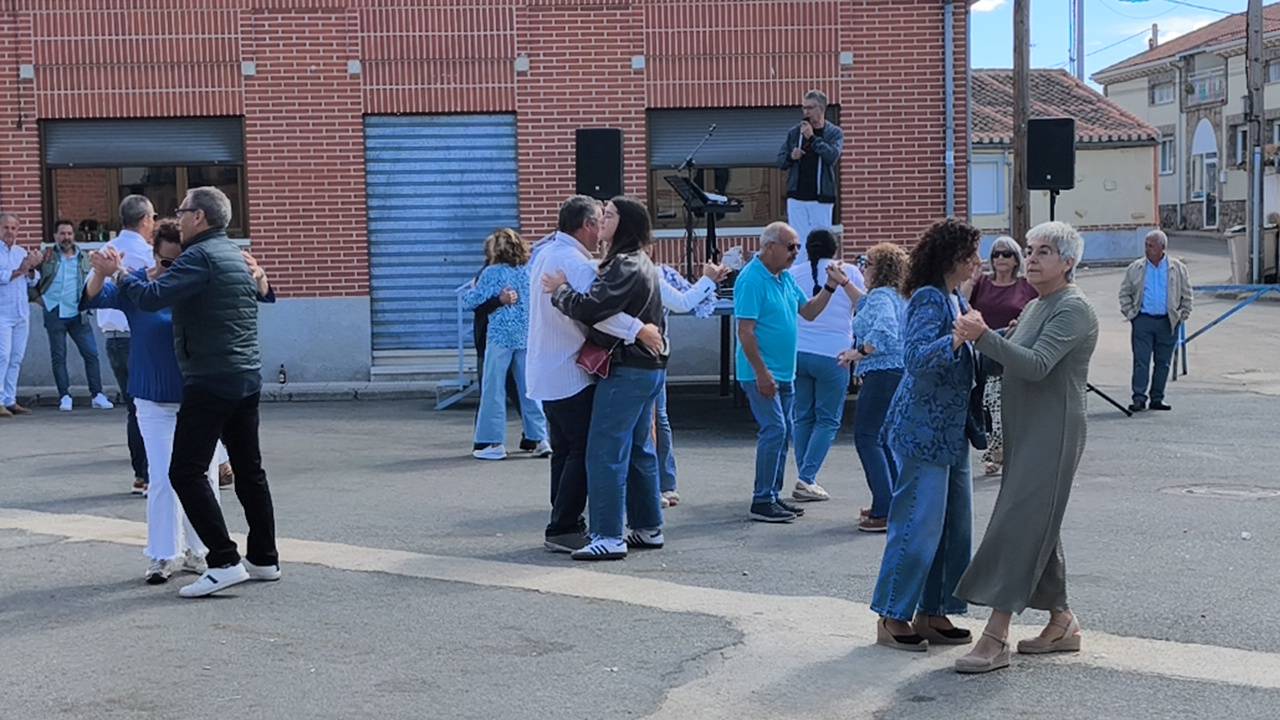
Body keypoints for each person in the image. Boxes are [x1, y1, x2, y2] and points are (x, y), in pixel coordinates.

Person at [114, 186, 280, 599]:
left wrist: (120, 275)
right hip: (246, 375)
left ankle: (223, 561)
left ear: (199, 217)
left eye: (182, 210)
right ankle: (264, 558)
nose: (178, 216)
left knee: (184, 472)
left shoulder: (199, 256)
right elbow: (262, 293)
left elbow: (152, 297)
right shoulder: (235, 253)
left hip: (210, 378)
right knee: (250, 470)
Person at [951, 221, 1099, 674]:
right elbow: (1006, 357)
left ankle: (996, 635)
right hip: (1025, 428)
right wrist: (981, 339)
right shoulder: (1037, 305)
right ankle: (1062, 621)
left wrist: (985, 336)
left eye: (1043, 252)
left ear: (1068, 262)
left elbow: (1035, 365)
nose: (1031, 259)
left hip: (1053, 432)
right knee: (1037, 521)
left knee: (1017, 523)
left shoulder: (1073, 309)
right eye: (1030, 250)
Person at [86, 220, 252, 584]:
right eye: (165, 263)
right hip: (153, 398)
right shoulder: (139, 286)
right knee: (162, 478)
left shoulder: (199, 288)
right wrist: (100, 270)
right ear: (154, 255)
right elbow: (95, 298)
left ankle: (201, 550)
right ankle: (162, 554)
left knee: (204, 478)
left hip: (199, 396)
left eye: (180, 263)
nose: (172, 270)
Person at [526, 195, 662, 554]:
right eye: (600, 217)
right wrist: (640, 330)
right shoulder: (578, 262)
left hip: (548, 370)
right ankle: (575, 527)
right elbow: (598, 313)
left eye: (609, 216)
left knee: (568, 451)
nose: (601, 224)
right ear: (586, 225)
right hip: (574, 371)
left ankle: (566, 524)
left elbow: (594, 306)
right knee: (593, 451)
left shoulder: (546, 254)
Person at [870, 218, 981, 652]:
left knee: (953, 529)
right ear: (951, 258)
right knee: (916, 525)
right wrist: (956, 339)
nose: (977, 262)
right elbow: (915, 359)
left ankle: (933, 611)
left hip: (950, 432)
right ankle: (892, 614)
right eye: (970, 255)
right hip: (923, 431)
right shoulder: (929, 299)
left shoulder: (955, 297)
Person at [735, 221, 850, 523]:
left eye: (798, 247)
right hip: (761, 372)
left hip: (785, 372)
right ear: (769, 246)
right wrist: (762, 373)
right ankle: (762, 499)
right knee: (775, 430)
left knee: (783, 432)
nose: (796, 252)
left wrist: (831, 286)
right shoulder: (752, 279)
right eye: (790, 247)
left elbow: (809, 312)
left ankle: (773, 496)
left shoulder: (783, 277)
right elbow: (745, 331)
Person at [788, 229, 865, 502]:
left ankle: (805, 475)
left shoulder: (793, 274)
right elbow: (862, 305)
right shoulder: (849, 272)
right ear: (836, 248)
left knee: (802, 416)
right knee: (828, 419)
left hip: (799, 352)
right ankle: (807, 477)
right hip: (835, 354)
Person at [838, 242, 909, 533]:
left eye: (866, 263)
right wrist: (844, 282)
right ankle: (893, 503)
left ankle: (883, 509)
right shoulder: (894, 295)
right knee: (884, 438)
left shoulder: (881, 297)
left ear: (880, 269)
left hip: (882, 373)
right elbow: (864, 303)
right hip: (897, 372)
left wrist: (858, 353)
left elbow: (884, 328)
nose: (863, 268)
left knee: (867, 437)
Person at [462, 228, 550, 460]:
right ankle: (540, 438)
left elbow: (470, 301)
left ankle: (491, 442)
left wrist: (476, 290)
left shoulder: (491, 273)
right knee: (529, 389)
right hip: (525, 336)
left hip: (499, 337)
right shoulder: (529, 271)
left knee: (493, 389)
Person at [653, 261, 726, 508]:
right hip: (645, 356)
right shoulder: (648, 273)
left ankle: (662, 483)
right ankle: (658, 485)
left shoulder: (651, 272)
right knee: (652, 421)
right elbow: (683, 303)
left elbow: (682, 302)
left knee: (655, 420)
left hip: (650, 357)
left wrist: (707, 281)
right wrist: (707, 280)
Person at [966, 235, 1036, 476]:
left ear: (1016, 259)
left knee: (1012, 406)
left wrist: (1021, 323)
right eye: (996, 254)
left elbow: (1037, 313)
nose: (1000, 258)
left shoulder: (1026, 286)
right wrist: (972, 279)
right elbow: (961, 304)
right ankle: (995, 453)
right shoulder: (982, 283)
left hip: (1013, 350)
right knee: (989, 405)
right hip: (984, 352)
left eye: (1006, 254)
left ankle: (1013, 453)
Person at [101, 195, 155, 494]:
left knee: (133, 408)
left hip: (113, 337)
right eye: (152, 218)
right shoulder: (148, 255)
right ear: (145, 219)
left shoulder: (105, 251)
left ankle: (140, 475)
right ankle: (148, 472)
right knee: (149, 407)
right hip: (139, 336)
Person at [33, 220, 114, 412]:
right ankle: (65, 396)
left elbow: (95, 279)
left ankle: (97, 394)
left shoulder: (84, 258)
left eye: (69, 233)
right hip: (54, 311)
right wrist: (37, 298)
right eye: (62, 234)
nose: (66, 237)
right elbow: (31, 277)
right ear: (55, 236)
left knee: (91, 354)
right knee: (59, 357)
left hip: (79, 313)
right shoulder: (47, 256)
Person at [1119, 229, 1192, 412]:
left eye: (1151, 245)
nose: (1147, 249)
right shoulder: (1136, 268)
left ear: (1162, 247)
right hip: (1143, 320)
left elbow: (1187, 294)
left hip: (1168, 322)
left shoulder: (1177, 268)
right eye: (1146, 245)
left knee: (1163, 362)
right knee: (1141, 361)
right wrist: (1131, 314)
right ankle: (1139, 397)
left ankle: (1157, 398)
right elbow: (1124, 292)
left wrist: (1182, 314)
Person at [777, 90, 844, 256]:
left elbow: (832, 157)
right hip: (797, 196)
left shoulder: (833, 133)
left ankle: (820, 271)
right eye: (804, 108)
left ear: (821, 109)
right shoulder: (794, 133)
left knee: (821, 243)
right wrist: (791, 157)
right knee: (798, 242)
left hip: (821, 198)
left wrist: (813, 138)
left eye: (810, 108)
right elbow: (780, 161)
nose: (805, 112)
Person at [0, 212, 42, 418]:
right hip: (2, 313)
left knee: (16, 357)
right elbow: (3, 277)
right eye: (6, 227)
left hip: (20, 312)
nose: (10, 232)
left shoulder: (20, 252)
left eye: (13, 228)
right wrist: (22, 269)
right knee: (2, 356)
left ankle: (10, 399)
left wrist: (32, 269)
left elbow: (33, 281)